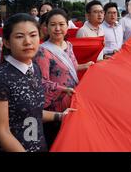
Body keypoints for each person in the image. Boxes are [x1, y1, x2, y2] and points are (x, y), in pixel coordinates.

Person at [0, 13, 75, 152]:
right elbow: (2, 132)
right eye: (19, 37)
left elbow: (32, 112)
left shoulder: (35, 70)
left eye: (33, 35)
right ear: (7, 42)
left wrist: (61, 116)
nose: (28, 41)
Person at [33, 9, 92, 148]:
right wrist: (64, 89)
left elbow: (71, 68)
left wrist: (87, 66)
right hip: (54, 106)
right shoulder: (43, 51)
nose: (58, 28)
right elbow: (42, 81)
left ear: (67, 26)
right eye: (53, 25)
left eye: (61, 24)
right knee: (55, 141)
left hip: (71, 101)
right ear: (46, 27)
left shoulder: (68, 45)